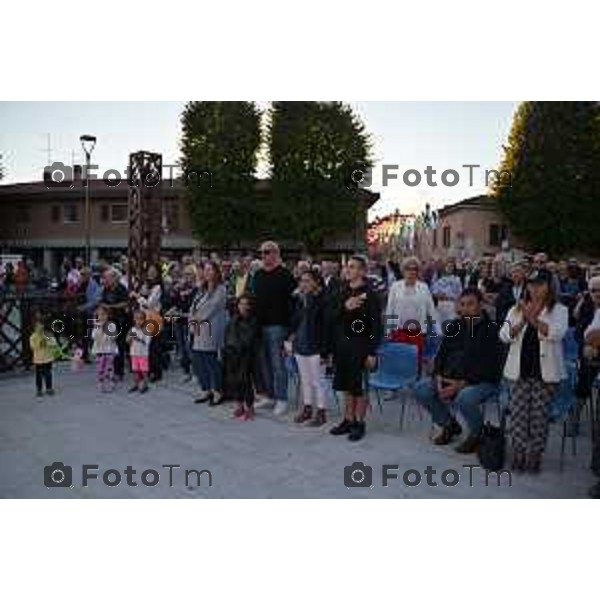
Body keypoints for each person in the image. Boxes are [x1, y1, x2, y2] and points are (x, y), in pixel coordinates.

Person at [414, 287, 502, 453]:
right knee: (421, 388)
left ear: (481, 305)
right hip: (450, 377)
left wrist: (460, 385)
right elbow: (442, 354)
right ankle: (449, 425)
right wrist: (438, 377)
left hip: (481, 381)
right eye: (463, 304)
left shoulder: (492, 330)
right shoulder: (455, 325)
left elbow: (490, 367)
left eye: (471, 304)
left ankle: (477, 434)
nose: (466, 308)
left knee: (465, 398)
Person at [500, 270, 568, 473]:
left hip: (545, 372)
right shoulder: (515, 310)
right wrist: (523, 319)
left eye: (540, 284)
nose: (535, 288)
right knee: (519, 415)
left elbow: (556, 334)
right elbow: (504, 335)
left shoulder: (559, 310)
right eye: (531, 284)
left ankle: (535, 454)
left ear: (549, 286)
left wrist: (532, 317)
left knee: (539, 416)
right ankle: (519, 453)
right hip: (520, 370)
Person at [329, 255, 382, 442]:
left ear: (361, 271)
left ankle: (359, 423)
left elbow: (376, 326)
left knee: (359, 387)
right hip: (342, 346)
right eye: (347, 267)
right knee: (346, 385)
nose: (348, 270)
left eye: (352, 267)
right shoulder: (341, 291)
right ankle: (347, 419)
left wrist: (372, 352)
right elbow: (332, 317)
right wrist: (345, 307)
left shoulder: (370, 293)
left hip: (361, 346)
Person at [253, 241, 297, 416]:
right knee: (264, 364)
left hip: (278, 326)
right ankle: (269, 396)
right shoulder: (257, 275)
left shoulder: (285, 275)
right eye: (261, 252)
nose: (263, 255)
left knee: (278, 365)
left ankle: (281, 398)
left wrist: (291, 329)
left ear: (276, 254)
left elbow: (294, 302)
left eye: (267, 252)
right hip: (260, 325)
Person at [287, 270, 329, 427]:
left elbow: (326, 327)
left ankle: (321, 411)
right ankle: (307, 407)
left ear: (316, 282)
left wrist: (325, 351)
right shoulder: (300, 299)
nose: (303, 284)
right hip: (301, 344)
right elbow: (294, 320)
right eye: (301, 281)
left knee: (318, 381)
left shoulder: (322, 300)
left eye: (307, 281)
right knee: (305, 380)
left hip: (316, 346)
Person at [385, 256, 437, 371]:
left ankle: (415, 384)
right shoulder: (395, 286)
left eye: (415, 269)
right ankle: (400, 383)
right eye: (408, 268)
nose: (411, 271)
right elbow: (390, 308)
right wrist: (388, 330)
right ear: (403, 270)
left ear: (418, 271)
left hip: (417, 331)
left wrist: (437, 329)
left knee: (416, 360)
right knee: (400, 359)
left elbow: (431, 310)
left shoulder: (424, 287)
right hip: (399, 330)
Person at [189, 260, 227, 405]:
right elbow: (193, 306)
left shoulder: (221, 289)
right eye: (205, 270)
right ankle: (206, 389)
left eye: (210, 269)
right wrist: (192, 320)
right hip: (198, 329)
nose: (207, 272)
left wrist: (196, 318)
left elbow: (211, 307)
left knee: (211, 360)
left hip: (211, 329)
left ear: (216, 272)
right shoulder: (202, 289)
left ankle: (217, 391)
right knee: (199, 360)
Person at [223, 294, 259, 420]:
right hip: (232, 354)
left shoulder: (253, 320)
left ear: (250, 306)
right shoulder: (233, 319)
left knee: (245, 380)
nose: (243, 306)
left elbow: (249, 339)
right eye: (241, 304)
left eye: (246, 304)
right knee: (234, 380)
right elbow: (227, 335)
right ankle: (239, 405)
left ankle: (250, 407)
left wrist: (239, 347)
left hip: (245, 355)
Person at [131, 264, 163, 382]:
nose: (151, 273)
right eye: (149, 271)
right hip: (144, 318)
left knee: (154, 346)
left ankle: (156, 372)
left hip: (153, 318)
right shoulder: (145, 285)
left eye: (153, 271)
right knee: (146, 346)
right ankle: (148, 370)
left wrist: (138, 296)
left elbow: (149, 304)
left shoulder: (158, 287)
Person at [100, 269, 130, 380]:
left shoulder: (121, 288)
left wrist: (112, 307)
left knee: (119, 346)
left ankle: (119, 372)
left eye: (107, 278)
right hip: (110, 320)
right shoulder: (106, 289)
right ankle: (111, 368)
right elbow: (103, 301)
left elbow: (125, 303)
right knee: (110, 345)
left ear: (114, 278)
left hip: (121, 320)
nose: (105, 280)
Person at [91, 304, 119, 393]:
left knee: (109, 368)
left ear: (108, 315)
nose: (102, 317)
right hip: (99, 350)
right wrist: (99, 328)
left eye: (104, 314)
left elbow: (113, 337)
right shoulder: (96, 326)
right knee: (100, 368)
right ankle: (101, 383)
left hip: (109, 350)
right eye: (99, 315)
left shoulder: (111, 325)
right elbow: (94, 337)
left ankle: (110, 382)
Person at [29, 314, 56, 397]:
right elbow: (32, 346)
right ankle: (39, 389)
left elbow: (54, 343)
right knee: (39, 375)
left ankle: (49, 388)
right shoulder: (33, 336)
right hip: (38, 359)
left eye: (40, 326)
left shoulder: (48, 334)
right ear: (35, 328)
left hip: (48, 358)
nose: (39, 328)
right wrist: (40, 344)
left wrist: (47, 342)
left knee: (48, 374)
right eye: (37, 326)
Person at [431, 257, 463, 323]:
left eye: (451, 266)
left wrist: (458, 305)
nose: (449, 268)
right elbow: (433, 292)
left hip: (452, 304)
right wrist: (438, 295)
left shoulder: (457, 279)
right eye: (448, 266)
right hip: (441, 304)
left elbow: (460, 294)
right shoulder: (439, 279)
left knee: (452, 325)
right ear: (445, 267)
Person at [127, 309, 151, 393]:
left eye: (140, 319)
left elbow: (147, 342)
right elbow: (127, 341)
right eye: (136, 319)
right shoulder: (132, 329)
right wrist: (129, 338)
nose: (138, 321)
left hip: (143, 354)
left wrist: (138, 338)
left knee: (144, 370)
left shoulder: (146, 330)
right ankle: (136, 384)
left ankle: (145, 384)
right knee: (135, 370)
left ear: (144, 320)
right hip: (134, 353)